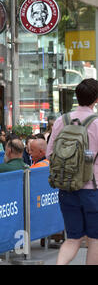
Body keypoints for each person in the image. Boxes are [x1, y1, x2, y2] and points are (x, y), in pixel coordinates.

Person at [46, 78, 98, 265]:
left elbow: (49, 153)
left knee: (73, 237)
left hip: (66, 187)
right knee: (94, 239)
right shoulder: (97, 123)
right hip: (92, 188)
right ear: (96, 99)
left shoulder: (62, 120)